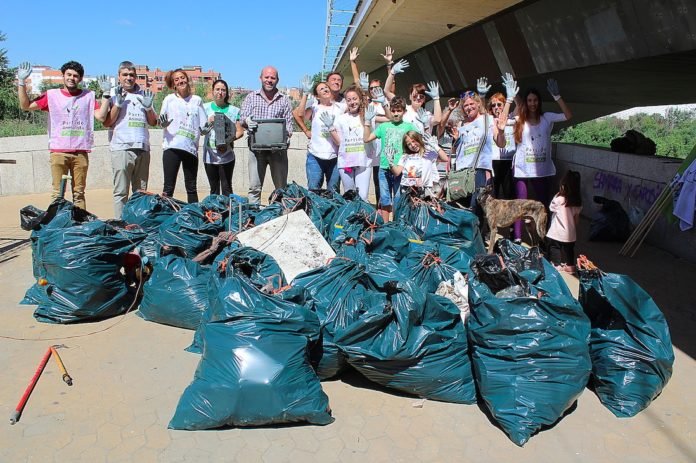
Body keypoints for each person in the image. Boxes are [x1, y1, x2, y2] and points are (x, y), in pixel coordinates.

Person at [17, 61, 109, 210]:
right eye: (69, 75)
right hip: (59, 151)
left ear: (80, 79)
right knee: (57, 194)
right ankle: (56, 225)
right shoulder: (51, 95)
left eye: (76, 76)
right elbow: (25, 106)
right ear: (63, 75)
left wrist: (106, 95)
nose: (72, 78)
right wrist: (21, 82)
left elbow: (101, 117)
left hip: (81, 152)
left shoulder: (88, 96)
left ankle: (80, 227)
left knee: (79, 194)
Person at [443, 74, 517, 215]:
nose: (469, 107)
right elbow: (456, 150)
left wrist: (501, 132)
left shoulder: (488, 120)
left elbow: (500, 143)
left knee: (476, 208)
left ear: (478, 104)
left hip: (480, 171)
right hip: (462, 172)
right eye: (465, 105)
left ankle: (478, 237)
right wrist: (456, 141)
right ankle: (468, 236)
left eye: (472, 104)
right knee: (462, 209)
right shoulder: (460, 124)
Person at [512, 78, 573, 242]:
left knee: (543, 204)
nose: (532, 103)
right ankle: (517, 238)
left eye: (535, 100)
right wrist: (513, 96)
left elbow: (568, 115)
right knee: (520, 203)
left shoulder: (547, 117)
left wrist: (557, 96)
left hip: (541, 169)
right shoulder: (520, 119)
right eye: (529, 100)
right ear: (526, 102)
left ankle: (544, 235)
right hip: (522, 168)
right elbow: (503, 123)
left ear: (539, 102)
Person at [103, 61, 158, 218]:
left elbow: (153, 122)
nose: (129, 78)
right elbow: (107, 122)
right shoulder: (112, 94)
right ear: (119, 76)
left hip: (142, 148)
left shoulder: (143, 94)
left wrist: (148, 108)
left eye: (132, 75)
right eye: (125, 75)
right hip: (121, 148)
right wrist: (117, 105)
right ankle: (121, 225)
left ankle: (138, 223)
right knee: (121, 191)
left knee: (141, 192)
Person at [240, 66, 294, 204]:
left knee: (281, 188)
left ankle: (281, 216)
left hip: (278, 151)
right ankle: (252, 219)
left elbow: (289, 124)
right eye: (266, 77)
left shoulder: (284, 100)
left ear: (277, 80)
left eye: (272, 78)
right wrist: (247, 121)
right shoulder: (251, 97)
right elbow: (242, 118)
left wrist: (286, 138)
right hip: (256, 151)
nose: (269, 80)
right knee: (254, 187)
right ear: (261, 78)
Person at [364, 96, 418, 221]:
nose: (395, 113)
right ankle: (385, 225)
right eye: (393, 111)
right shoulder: (384, 126)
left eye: (399, 111)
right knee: (384, 198)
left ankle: (397, 224)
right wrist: (367, 122)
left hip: (401, 168)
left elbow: (418, 143)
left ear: (404, 111)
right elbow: (366, 139)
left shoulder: (409, 126)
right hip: (384, 167)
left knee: (399, 198)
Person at [158, 68, 208, 204]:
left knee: (191, 187)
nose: (180, 81)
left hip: (190, 149)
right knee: (168, 187)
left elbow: (203, 126)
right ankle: (164, 217)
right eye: (177, 79)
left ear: (187, 79)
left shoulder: (197, 100)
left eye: (182, 77)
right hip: (172, 147)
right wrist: (163, 123)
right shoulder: (169, 99)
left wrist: (206, 129)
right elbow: (161, 122)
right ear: (173, 84)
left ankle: (194, 217)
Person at [325, 85, 374, 200]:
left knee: (362, 197)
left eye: (355, 99)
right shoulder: (340, 119)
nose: (352, 102)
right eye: (349, 100)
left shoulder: (367, 116)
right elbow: (339, 142)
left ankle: (363, 217)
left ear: (360, 99)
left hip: (363, 162)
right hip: (346, 162)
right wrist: (331, 128)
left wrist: (368, 120)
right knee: (349, 196)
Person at [293, 77, 342, 191]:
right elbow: (299, 114)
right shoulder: (315, 107)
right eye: (321, 89)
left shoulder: (340, 107)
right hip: (315, 157)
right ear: (317, 96)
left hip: (335, 156)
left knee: (333, 191)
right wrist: (305, 94)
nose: (325, 89)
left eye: (326, 87)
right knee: (314, 190)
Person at [202, 79, 243, 196]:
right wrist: (208, 123)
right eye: (217, 89)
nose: (220, 92)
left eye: (223, 90)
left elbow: (240, 131)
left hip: (227, 156)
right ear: (213, 91)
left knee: (227, 189)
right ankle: (214, 213)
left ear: (226, 93)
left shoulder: (234, 110)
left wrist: (227, 141)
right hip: (209, 156)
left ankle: (227, 213)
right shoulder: (204, 108)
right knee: (213, 190)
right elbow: (200, 131)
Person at [384, 59, 442, 135]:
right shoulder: (403, 108)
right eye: (415, 95)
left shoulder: (426, 114)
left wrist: (436, 98)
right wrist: (392, 72)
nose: (418, 98)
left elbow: (437, 120)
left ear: (424, 99)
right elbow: (386, 91)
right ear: (410, 96)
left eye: (421, 96)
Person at [389, 131, 447, 198]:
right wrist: (391, 162)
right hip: (407, 190)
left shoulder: (428, 154)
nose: (412, 145)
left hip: (425, 191)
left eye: (413, 141)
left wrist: (435, 146)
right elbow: (397, 172)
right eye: (409, 144)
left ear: (418, 139)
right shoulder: (405, 156)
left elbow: (445, 158)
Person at [546, 170, 582, 274]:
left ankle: (557, 264)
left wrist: (556, 195)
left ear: (563, 186)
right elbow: (576, 218)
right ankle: (570, 266)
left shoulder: (559, 199)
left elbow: (551, 208)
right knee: (569, 250)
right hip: (570, 233)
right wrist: (573, 228)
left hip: (556, 232)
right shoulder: (577, 202)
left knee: (554, 247)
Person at [487, 91, 516, 200]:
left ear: (504, 106)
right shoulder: (489, 120)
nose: (496, 107)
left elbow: (521, 107)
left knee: (509, 194)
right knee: (494, 195)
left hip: (509, 160)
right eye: (493, 105)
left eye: (499, 104)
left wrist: (511, 97)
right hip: (493, 161)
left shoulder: (512, 117)